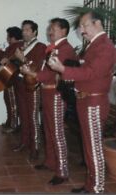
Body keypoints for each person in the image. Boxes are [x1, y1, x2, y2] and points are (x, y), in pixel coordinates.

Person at [47, 11, 116, 193]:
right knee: (88, 145)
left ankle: (97, 188)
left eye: (85, 25)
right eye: (81, 26)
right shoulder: (94, 45)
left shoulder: (105, 46)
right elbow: (84, 68)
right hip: (85, 99)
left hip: (93, 101)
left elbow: (92, 73)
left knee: (93, 147)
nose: (82, 30)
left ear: (98, 23)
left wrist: (63, 69)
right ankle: (90, 184)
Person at [21, 18, 77, 185]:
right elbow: (47, 70)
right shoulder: (54, 48)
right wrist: (33, 72)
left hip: (56, 93)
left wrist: (33, 74)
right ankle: (51, 162)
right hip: (47, 92)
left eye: (53, 28)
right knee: (48, 129)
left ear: (64, 31)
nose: (49, 31)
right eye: (49, 28)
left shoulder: (65, 49)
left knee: (57, 133)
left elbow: (52, 73)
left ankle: (62, 171)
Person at [12, 20, 46, 160]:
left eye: (27, 30)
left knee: (32, 116)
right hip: (19, 82)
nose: (24, 32)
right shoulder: (20, 45)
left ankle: (35, 147)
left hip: (32, 85)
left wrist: (23, 58)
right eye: (23, 29)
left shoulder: (40, 46)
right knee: (23, 115)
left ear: (34, 32)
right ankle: (24, 142)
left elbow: (36, 68)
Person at [0, 26, 22, 133]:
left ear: (12, 37)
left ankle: (13, 126)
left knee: (12, 101)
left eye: (8, 36)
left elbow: (5, 59)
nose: (7, 38)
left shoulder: (15, 46)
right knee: (9, 100)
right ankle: (10, 122)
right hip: (11, 77)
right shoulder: (16, 46)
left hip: (11, 78)